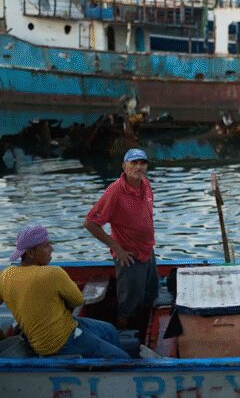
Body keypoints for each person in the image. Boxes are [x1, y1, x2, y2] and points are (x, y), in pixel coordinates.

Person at [0, 226, 129, 358]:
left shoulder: (6, 275)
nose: (51, 248)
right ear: (30, 253)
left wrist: (4, 340)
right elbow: (77, 300)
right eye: (46, 245)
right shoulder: (53, 273)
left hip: (66, 325)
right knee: (122, 358)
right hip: (62, 342)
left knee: (109, 330)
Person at [84, 148, 159, 331]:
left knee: (150, 297)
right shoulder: (115, 191)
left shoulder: (145, 184)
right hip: (129, 256)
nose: (138, 167)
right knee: (128, 307)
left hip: (148, 252)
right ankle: (125, 338)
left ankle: (145, 330)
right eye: (133, 163)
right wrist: (115, 246)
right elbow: (90, 223)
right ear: (124, 166)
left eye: (142, 163)